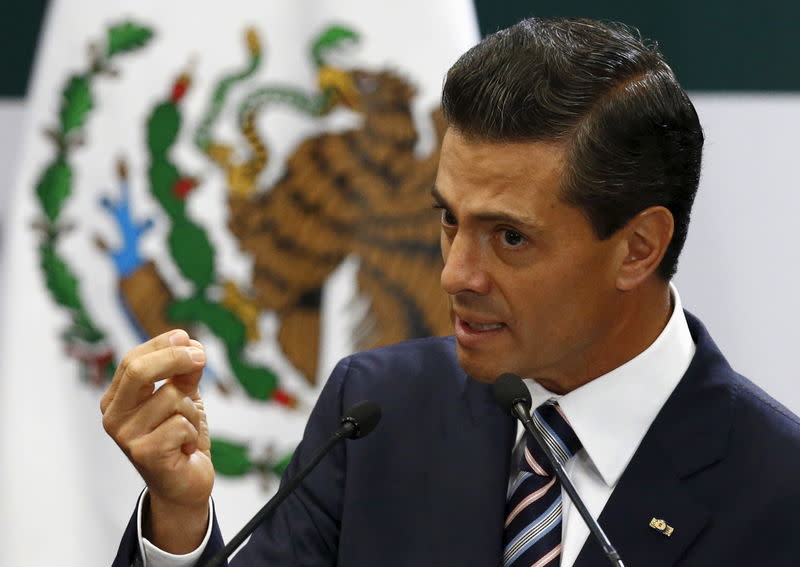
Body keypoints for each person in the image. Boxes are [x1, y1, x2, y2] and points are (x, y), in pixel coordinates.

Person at [103, 17, 800, 567]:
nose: (456, 274)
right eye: (448, 220)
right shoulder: (376, 413)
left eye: (510, 238)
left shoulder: (776, 488)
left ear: (637, 247)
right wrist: (179, 524)